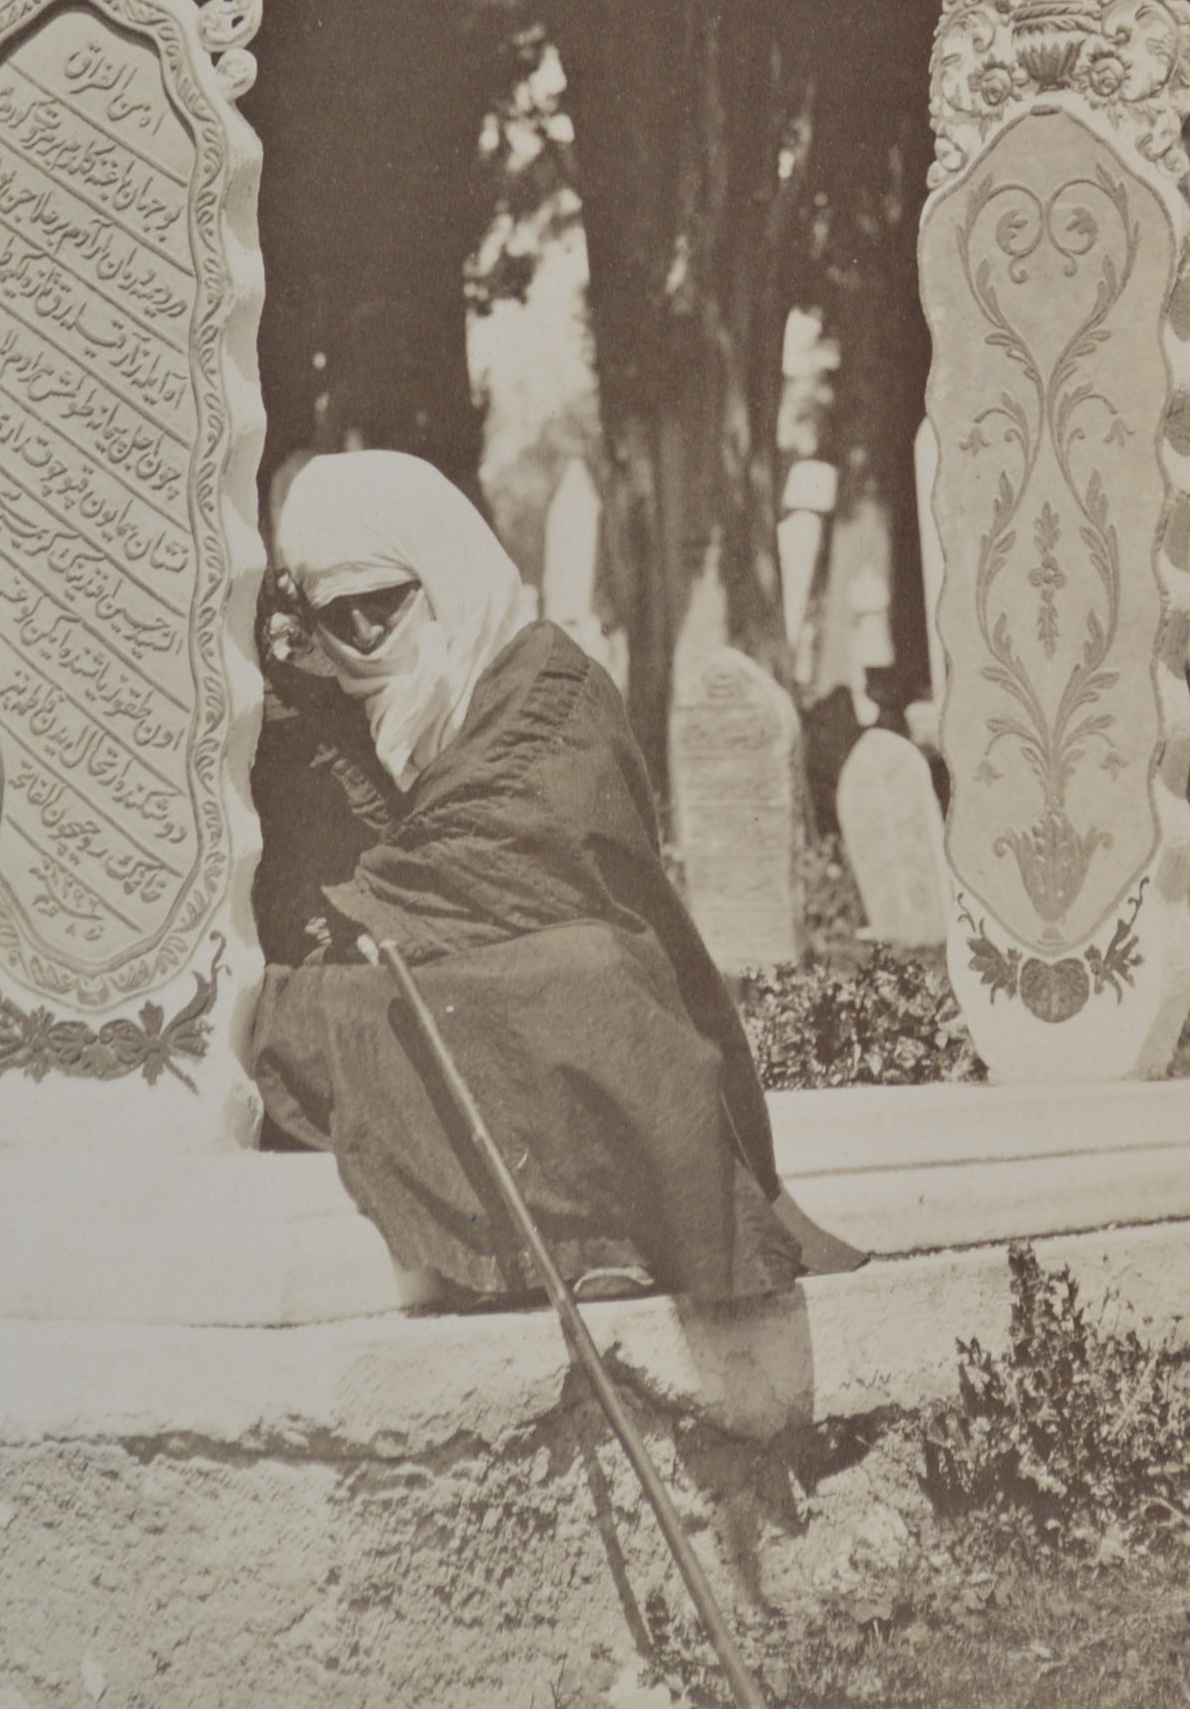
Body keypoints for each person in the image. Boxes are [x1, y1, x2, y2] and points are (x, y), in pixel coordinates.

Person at [248, 448, 863, 1311]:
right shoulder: (350, 714)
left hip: (591, 986)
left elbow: (547, 872)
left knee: (599, 988)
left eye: (377, 610)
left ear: (442, 567)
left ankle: (605, 1223)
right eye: (332, 620)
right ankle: (596, 1226)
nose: (358, 646)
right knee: (305, 1017)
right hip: (468, 997)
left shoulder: (553, 696)